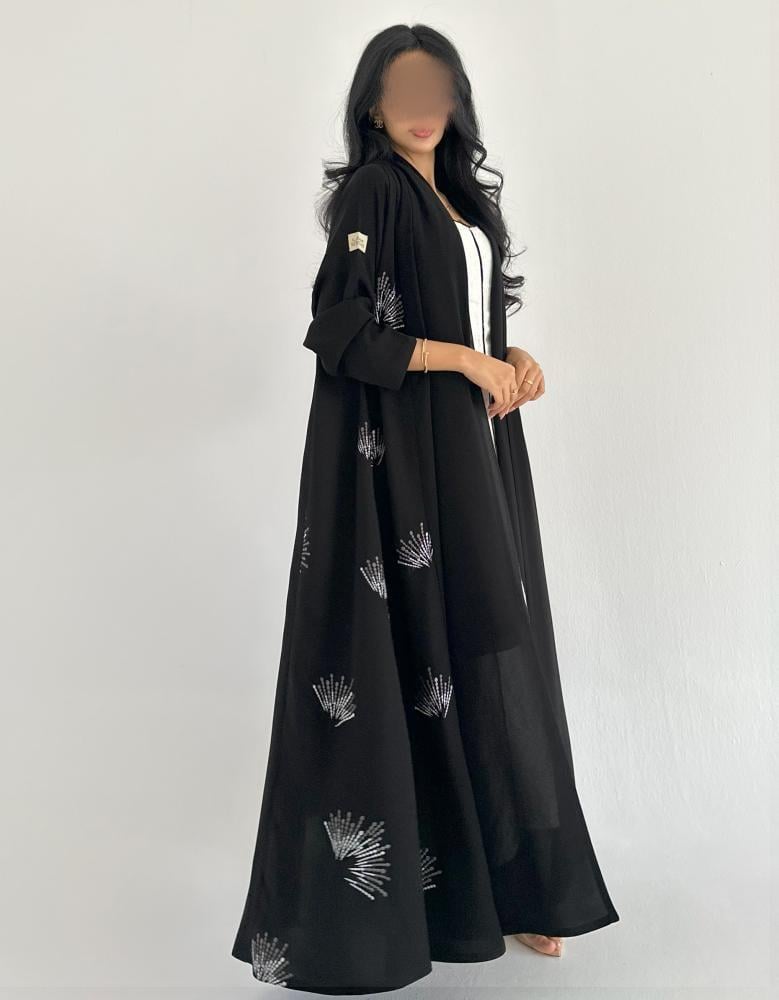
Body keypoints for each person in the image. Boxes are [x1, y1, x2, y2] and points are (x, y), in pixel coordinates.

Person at [232, 23, 619, 994]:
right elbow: (340, 330)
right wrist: (462, 361)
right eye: (402, 87)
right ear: (372, 102)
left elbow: (475, 317)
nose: (420, 104)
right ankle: (427, 911)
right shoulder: (372, 191)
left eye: (435, 86)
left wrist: (511, 356)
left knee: (485, 646)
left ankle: (511, 887)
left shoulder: (464, 202)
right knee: (430, 652)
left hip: (473, 452)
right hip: (405, 464)